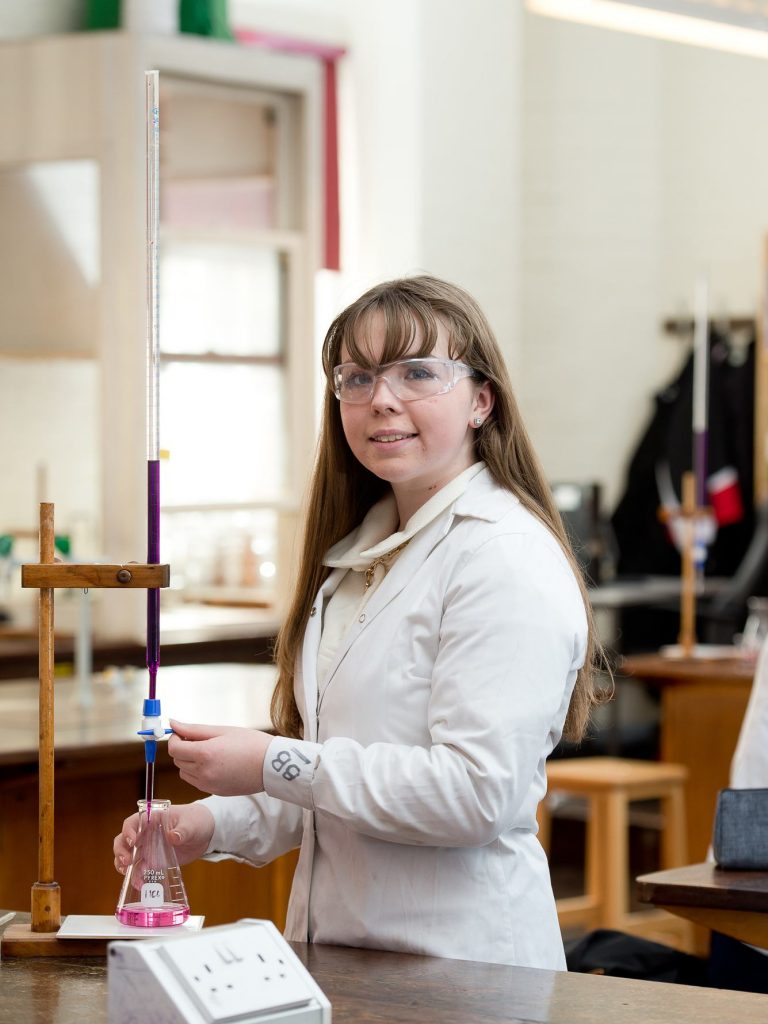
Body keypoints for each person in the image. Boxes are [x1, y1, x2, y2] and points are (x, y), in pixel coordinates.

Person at [114, 274, 602, 969]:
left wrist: (271, 759)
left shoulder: (503, 556)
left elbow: (473, 794)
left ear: (481, 401)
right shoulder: (358, 558)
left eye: (417, 373)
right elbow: (348, 780)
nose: (382, 400)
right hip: (346, 959)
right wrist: (208, 824)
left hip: (465, 971)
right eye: (358, 376)